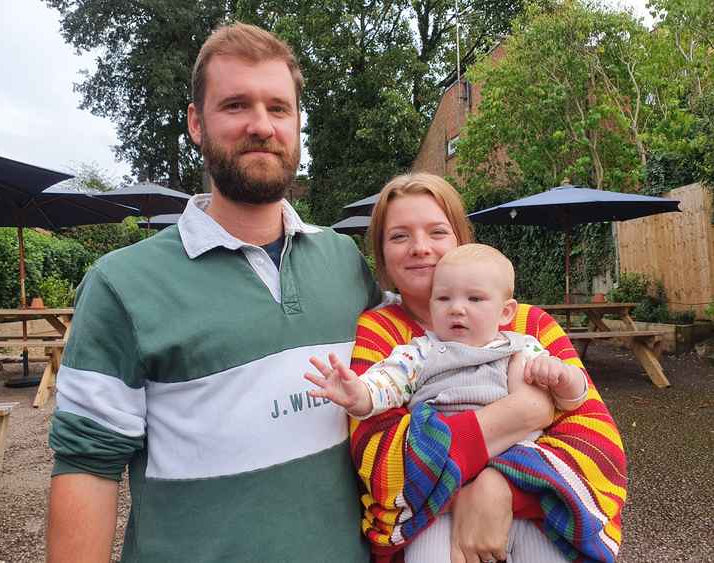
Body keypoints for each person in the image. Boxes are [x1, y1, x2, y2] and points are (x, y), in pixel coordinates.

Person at [46, 23, 380, 562]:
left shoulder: (345, 263)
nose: (261, 125)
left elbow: (426, 372)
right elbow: (89, 466)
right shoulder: (121, 285)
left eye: (279, 108)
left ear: (297, 125)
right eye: (235, 106)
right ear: (196, 125)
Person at [347, 173, 627, 563]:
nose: (420, 248)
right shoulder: (380, 331)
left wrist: (500, 488)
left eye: (437, 231)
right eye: (399, 236)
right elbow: (380, 465)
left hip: (531, 525)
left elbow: (597, 442)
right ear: (380, 252)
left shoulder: (529, 325)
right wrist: (525, 411)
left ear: (463, 239)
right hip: (435, 534)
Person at [307, 243, 589, 562]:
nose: (456, 308)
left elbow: (574, 399)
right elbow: (386, 381)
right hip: (440, 494)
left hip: (519, 483)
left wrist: (563, 377)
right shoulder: (419, 352)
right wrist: (358, 395)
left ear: (506, 311)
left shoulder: (523, 348)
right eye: (444, 299)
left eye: (474, 299)